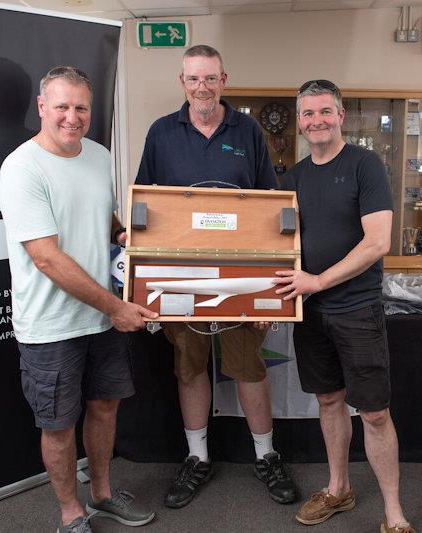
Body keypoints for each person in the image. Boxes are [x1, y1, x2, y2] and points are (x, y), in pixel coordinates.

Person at [135, 45, 299, 508]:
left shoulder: (246, 131)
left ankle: (266, 455)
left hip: (241, 277)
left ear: (223, 79)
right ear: (181, 82)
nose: (202, 87)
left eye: (210, 78)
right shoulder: (161, 133)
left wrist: (271, 290)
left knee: (248, 366)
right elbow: (143, 207)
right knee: (188, 367)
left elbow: (273, 207)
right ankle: (197, 457)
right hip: (181, 278)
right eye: (193, 79)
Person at [0, 66, 158, 533]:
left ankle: (103, 495)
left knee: (105, 406)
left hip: (103, 322)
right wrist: (115, 307)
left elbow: (102, 216)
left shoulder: (99, 155)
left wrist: (123, 233)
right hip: (52, 325)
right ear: (42, 107)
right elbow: (46, 256)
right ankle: (71, 514)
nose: (72, 117)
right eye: (62, 106)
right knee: (59, 425)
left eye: (81, 107)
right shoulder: (21, 168)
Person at [273, 80, 416, 533]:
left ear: (340, 116)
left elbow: (377, 242)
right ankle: (339, 490)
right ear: (300, 122)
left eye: (324, 112)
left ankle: (394, 514)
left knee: (374, 412)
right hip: (309, 313)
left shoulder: (365, 165)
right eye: (308, 114)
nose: (316, 120)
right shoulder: (293, 177)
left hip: (356, 309)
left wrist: (318, 280)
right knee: (329, 399)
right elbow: (275, 244)